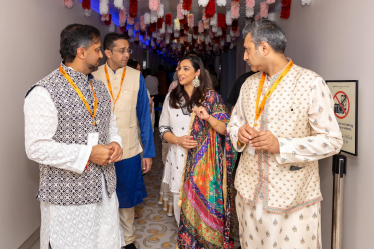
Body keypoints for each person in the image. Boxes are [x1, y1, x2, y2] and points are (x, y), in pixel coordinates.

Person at [227, 20, 343, 249]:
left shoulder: (310, 83)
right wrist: (239, 133)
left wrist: (281, 145)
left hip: (291, 199)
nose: (245, 57)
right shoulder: (248, 85)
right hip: (249, 194)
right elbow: (233, 125)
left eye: (247, 50)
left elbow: (332, 141)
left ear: (264, 48)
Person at [24, 24, 124, 249]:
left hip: (105, 189)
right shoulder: (44, 91)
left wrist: (116, 142)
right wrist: (88, 153)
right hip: (69, 197)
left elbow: (111, 124)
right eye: (97, 50)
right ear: (81, 52)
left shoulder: (99, 87)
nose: (101, 54)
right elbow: (36, 147)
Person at [159, 55, 237, 248]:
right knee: (181, 214)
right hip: (178, 162)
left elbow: (226, 129)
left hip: (205, 170)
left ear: (197, 73)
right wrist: (178, 140)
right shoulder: (172, 97)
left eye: (186, 69)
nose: (180, 72)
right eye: (179, 68)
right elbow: (163, 129)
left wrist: (208, 117)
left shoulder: (211, 97)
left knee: (207, 214)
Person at [92, 33, 155, 249]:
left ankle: (128, 240)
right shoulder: (93, 75)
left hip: (129, 149)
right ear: (107, 53)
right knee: (101, 197)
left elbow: (144, 117)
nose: (127, 54)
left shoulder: (136, 76)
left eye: (129, 50)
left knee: (127, 197)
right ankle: (105, 240)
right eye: (122, 50)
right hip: (101, 151)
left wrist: (147, 152)